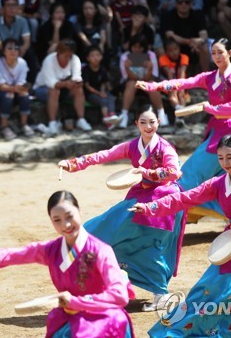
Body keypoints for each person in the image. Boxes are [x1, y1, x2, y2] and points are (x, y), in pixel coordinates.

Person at [0, 190, 135, 338]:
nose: (66, 225)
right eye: (57, 220)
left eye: (70, 216)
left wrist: (75, 302)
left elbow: (119, 296)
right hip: (70, 319)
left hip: (104, 321)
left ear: (80, 212)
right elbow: (2, 256)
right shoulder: (50, 250)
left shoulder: (100, 250)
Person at [132, 134, 231, 337]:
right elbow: (186, 198)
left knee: (225, 295)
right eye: (221, 158)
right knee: (211, 293)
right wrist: (151, 207)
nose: (225, 163)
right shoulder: (219, 183)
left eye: (230, 157)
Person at [58, 104, 187, 311]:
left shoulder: (165, 148)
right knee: (108, 230)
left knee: (152, 245)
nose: (148, 126)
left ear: (159, 123)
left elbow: (174, 173)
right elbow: (103, 155)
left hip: (163, 201)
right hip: (142, 197)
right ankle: (113, 285)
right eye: (143, 122)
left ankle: (160, 294)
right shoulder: (132, 146)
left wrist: (147, 173)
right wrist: (73, 164)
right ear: (136, 123)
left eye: (152, 122)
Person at [136, 38, 231, 222]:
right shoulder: (210, 77)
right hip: (220, 129)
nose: (216, 57)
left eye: (220, 52)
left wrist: (209, 108)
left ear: (230, 53)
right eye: (213, 53)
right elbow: (183, 83)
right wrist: (153, 86)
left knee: (193, 173)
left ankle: (165, 215)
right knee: (221, 179)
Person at [33, 38, 93, 135]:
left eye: (69, 56)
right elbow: (51, 83)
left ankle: (81, 119)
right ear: (58, 53)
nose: (67, 58)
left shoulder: (75, 59)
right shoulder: (49, 60)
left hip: (64, 88)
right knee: (54, 90)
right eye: (65, 56)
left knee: (78, 89)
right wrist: (65, 84)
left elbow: (76, 75)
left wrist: (77, 82)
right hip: (43, 89)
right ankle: (52, 123)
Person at [0, 38, 34, 140]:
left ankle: (24, 124)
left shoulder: (22, 63)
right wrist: (16, 89)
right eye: (10, 48)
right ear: (4, 51)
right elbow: (1, 86)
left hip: (14, 91)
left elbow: (22, 82)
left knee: (25, 94)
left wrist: (22, 88)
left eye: (16, 48)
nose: (13, 51)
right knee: (9, 95)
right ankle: (4, 127)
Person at [119, 33, 168, 128]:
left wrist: (149, 69)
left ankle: (161, 113)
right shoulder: (125, 57)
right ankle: (124, 115)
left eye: (140, 47)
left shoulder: (151, 55)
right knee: (131, 83)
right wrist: (127, 68)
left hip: (147, 82)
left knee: (153, 85)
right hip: (131, 83)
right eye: (134, 47)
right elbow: (128, 78)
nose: (137, 50)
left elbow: (152, 77)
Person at [160, 0, 210, 72]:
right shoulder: (168, 16)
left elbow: (204, 34)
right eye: (180, 2)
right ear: (176, 4)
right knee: (168, 47)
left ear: (191, 3)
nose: (183, 4)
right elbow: (170, 35)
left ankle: (206, 76)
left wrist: (199, 41)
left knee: (204, 47)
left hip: (194, 46)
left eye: (187, 2)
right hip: (177, 46)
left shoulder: (198, 15)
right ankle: (170, 77)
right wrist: (189, 42)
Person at [82, 46, 120, 129]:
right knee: (103, 100)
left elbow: (103, 83)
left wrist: (102, 92)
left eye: (98, 55)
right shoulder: (85, 70)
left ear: (101, 57)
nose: (96, 58)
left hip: (100, 92)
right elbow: (87, 86)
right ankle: (107, 120)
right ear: (88, 58)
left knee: (110, 97)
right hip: (90, 94)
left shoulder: (102, 69)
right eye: (93, 56)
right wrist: (99, 93)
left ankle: (112, 115)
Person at [159, 38, 189, 121]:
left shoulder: (184, 57)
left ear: (179, 48)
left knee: (181, 95)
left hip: (181, 81)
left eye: (176, 49)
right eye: (170, 50)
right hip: (169, 82)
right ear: (166, 52)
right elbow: (169, 74)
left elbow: (182, 72)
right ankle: (178, 109)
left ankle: (181, 117)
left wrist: (182, 86)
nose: (174, 52)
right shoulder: (163, 59)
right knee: (173, 95)